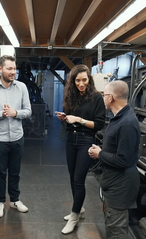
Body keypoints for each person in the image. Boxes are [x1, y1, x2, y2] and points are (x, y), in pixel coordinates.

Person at [55, 64, 106, 234]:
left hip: (86, 140)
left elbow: (98, 124)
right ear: (73, 81)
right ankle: (80, 209)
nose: (81, 83)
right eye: (77, 80)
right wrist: (65, 118)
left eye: (84, 80)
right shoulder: (71, 96)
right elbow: (70, 118)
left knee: (79, 179)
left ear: (89, 79)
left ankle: (74, 216)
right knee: (72, 178)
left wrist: (79, 120)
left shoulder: (97, 98)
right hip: (71, 139)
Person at [0, 55, 32, 218]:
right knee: (1, 172)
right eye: (9, 68)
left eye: (14, 68)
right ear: (0, 69)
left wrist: (15, 113)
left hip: (17, 138)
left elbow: (28, 110)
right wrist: (0, 114)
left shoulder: (22, 87)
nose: (13, 72)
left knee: (15, 172)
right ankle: (0, 202)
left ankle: (15, 200)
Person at [88, 80, 141, 239]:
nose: (103, 98)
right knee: (112, 227)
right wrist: (102, 151)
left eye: (104, 95)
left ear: (110, 98)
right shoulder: (119, 118)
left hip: (120, 186)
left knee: (116, 232)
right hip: (113, 183)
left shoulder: (127, 123)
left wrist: (100, 154)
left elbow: (123, 160)